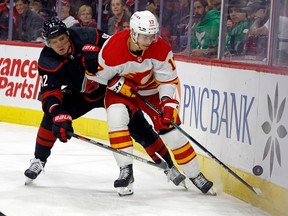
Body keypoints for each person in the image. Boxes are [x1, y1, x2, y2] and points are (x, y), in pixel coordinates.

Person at [24, 17, 185, 196]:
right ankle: (39, 160)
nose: (60, 45)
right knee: (50, 119)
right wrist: (57, 112)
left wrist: (111, 68)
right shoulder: (47, 60)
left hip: (109, 89)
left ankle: (169, 166)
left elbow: (117, 47)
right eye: (54, 42)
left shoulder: (88, 35)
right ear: (47, 44)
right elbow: (49, 93)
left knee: (138, 127)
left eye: (62, 38)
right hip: (80, 95)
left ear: (67, 34)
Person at [86, 10, 214, 194]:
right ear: (133, 33)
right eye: (145, 36)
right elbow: (97, 76)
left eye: (152, 36)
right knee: (116, 118)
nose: (150, 41)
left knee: (172, 133)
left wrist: (168, 105)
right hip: (122, 93)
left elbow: (168, 81)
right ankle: (126, 171)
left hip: (152, 91)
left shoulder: (160, 47)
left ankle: (196, 175)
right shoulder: (112, 48)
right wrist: (114, 83)